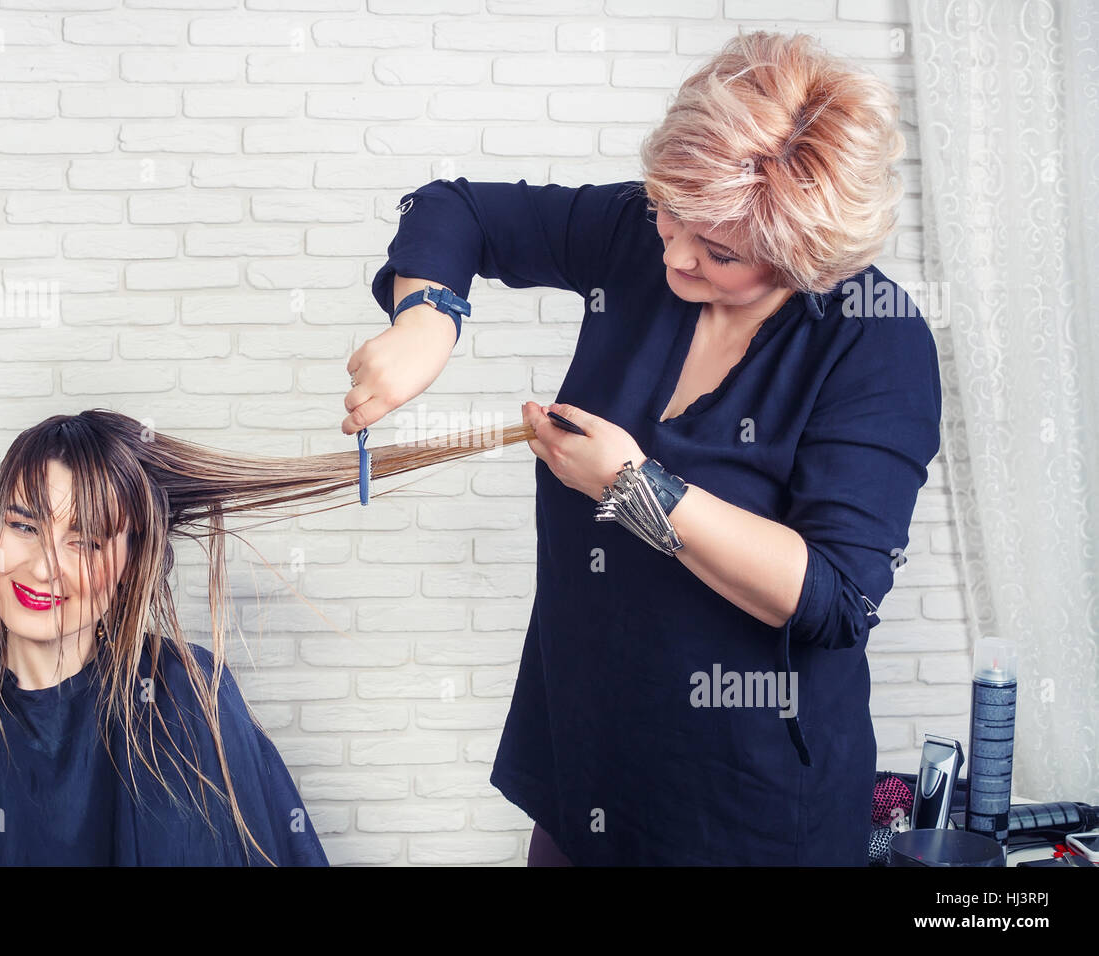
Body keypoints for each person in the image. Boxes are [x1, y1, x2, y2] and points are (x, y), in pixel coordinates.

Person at [342, 30, 942, 865]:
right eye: (669, 209)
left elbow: (836, 598)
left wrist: (633, 486)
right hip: (583, 767)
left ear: (804, 257)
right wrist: (427, 320)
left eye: (720, 252)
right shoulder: (643, 237)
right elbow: (456, 207)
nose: (674, 253)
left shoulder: (875, 341)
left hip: (742, 809)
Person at [0, 409, 334, 865]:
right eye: (24, 526)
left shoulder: (191, 698)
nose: (45, 567)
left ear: (131, 566)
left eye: (86, 541)